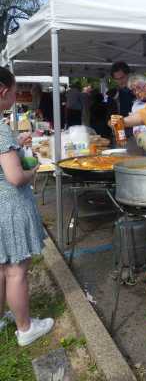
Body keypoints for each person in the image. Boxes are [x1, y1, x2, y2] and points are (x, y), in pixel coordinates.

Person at [0, 66, 54, 346]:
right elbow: (15, 177)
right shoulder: (0, 128)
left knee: (0, 268)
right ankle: (25, 328)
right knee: (16, 270)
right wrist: (35, 172)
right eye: (14, 89)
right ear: (3, 91)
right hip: (9, 207)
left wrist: (15, 144)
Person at [110, 61, 135, 137]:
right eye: (117, 79)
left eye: (122, 77)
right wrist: (110, 122)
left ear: (129, 75)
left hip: (137, 132)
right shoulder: (115, 94)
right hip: (121, 133)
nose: (120, 81)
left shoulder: (138, 91)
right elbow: (112, 115)